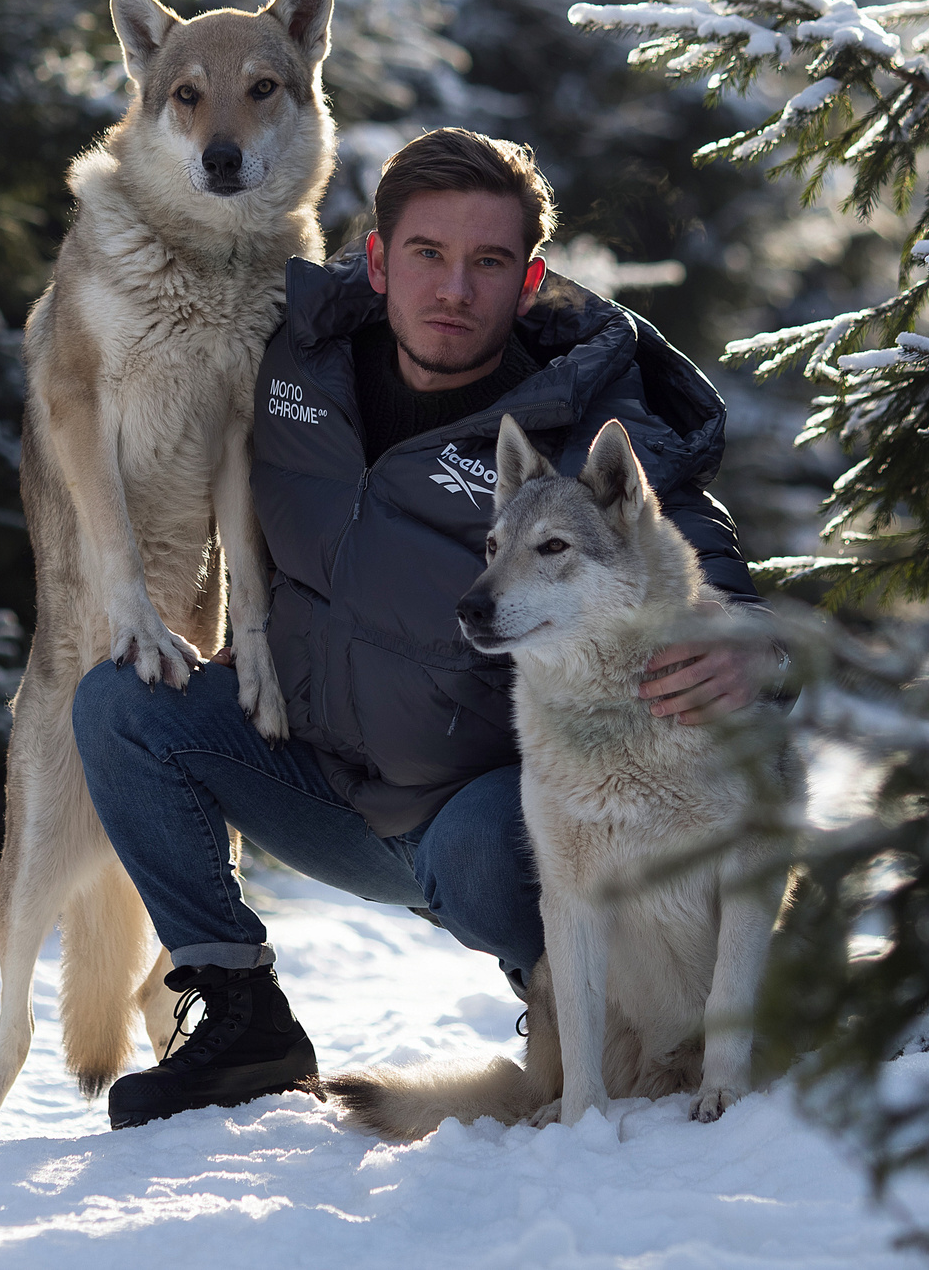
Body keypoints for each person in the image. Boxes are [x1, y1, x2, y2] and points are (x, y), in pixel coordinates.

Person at [73, 128, 765, 1129]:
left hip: (475, 826)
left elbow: (686, 538)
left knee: (506, 829)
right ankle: (238, 1013)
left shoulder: (576, 411)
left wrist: (741, 640)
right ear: (378, 261)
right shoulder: (290, 354)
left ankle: (580, 1013)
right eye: (429, 256)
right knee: (124, 707)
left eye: (488, 263)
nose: (454, 290)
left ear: (528, 282)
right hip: (309, 774)